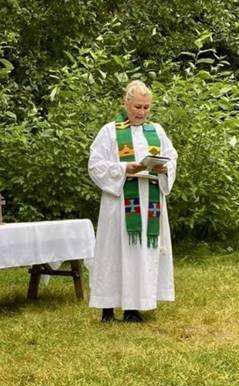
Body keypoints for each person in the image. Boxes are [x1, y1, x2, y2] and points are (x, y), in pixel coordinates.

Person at [87, 80, 178, 322]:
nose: (142, 112)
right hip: (119, 203)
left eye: (147, 107)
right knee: (114, 251)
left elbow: (172, 158)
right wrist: (125, 168)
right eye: (137, 106)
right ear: (126, 103)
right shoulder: (110, 131)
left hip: (149, 200)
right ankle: (107, 308)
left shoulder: (156, 131)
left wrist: (163, 167)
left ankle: (132, 307)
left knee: (139, 253)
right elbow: (95, 165)